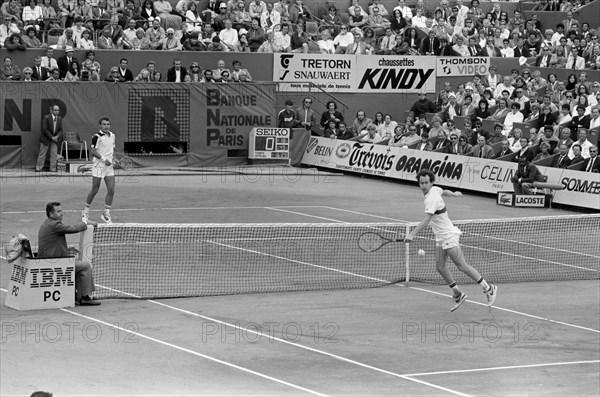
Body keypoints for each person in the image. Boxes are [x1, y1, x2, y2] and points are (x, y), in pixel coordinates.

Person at [404, 169, 497, 312]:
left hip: (448, 235)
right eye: (421, 183)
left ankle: (488, 288)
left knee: (461, 265)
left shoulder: (431, 198)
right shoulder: (434, 190)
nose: (423, 185)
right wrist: (454, 194)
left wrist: (412, 234)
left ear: (431, 182)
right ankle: (458, 294)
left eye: (426, 183)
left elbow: (427, 219)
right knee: (440, 267)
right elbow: (444, 191)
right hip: (440, 237)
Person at [39, 202, 100, 306]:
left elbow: (51, 244)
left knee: (78, 265)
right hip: (54, 264)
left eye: (61, 211)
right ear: (51, 214)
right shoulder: (54, 225)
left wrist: (67, 249)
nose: (62, 213)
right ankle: (85, 297)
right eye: (58, 211)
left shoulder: (47, 223)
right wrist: (86, 223)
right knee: (85, 266)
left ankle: (79, 296)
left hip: (49, 260)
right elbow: (73, 229)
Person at [82, 116, 118, 224]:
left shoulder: (112, 135)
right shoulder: (96, 137)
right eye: (104, 124)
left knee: (111, 189)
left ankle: (106, 213)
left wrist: (114, 158)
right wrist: (103, 159)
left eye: (108, 124)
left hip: (109, 167)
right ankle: (85, 211)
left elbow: (112, 149)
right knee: (95, 189)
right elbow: (92, 151)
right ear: (100, 126)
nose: (106, 126)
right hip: (99, 165)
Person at [35, 105, 63, 172]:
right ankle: (38, 168)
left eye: (58, 110)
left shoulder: (59, 119)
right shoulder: (46, 117)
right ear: (52, 111)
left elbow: (61, 130)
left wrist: (56, 137)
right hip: (46, 138)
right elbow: (44, 129)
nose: (57, 112)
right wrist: (52, 137)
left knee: (54, 155)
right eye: (55, 110)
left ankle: (52, 170)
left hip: (55, 139)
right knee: (42, 154)